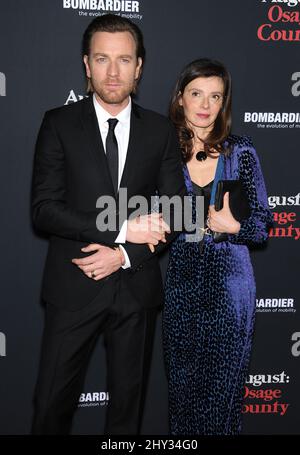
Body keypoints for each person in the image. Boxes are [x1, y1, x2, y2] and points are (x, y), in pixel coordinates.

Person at [31, 14, 185, 435]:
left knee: (127, 415)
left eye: (123, 60)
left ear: (139, 66)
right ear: (86, 64)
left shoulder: (161, 131)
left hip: (135, 288)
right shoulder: (58, 124)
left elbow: (176, 210)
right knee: (50, 409)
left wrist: (123, 253)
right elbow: (44, 209)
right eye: (102, 59)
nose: (113, 72)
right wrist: (121, 227)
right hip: (73, 284)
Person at [163, 58, 273, 435]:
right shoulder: (164, 153)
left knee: (222, 406)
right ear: (181, 99)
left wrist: (234, 226)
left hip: (230, 295)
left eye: (215, 96)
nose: (205, 104)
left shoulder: (240, 152)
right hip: (181, 293)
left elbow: (262, 226)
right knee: (182, 402)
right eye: (196, 94)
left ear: (223, 103)